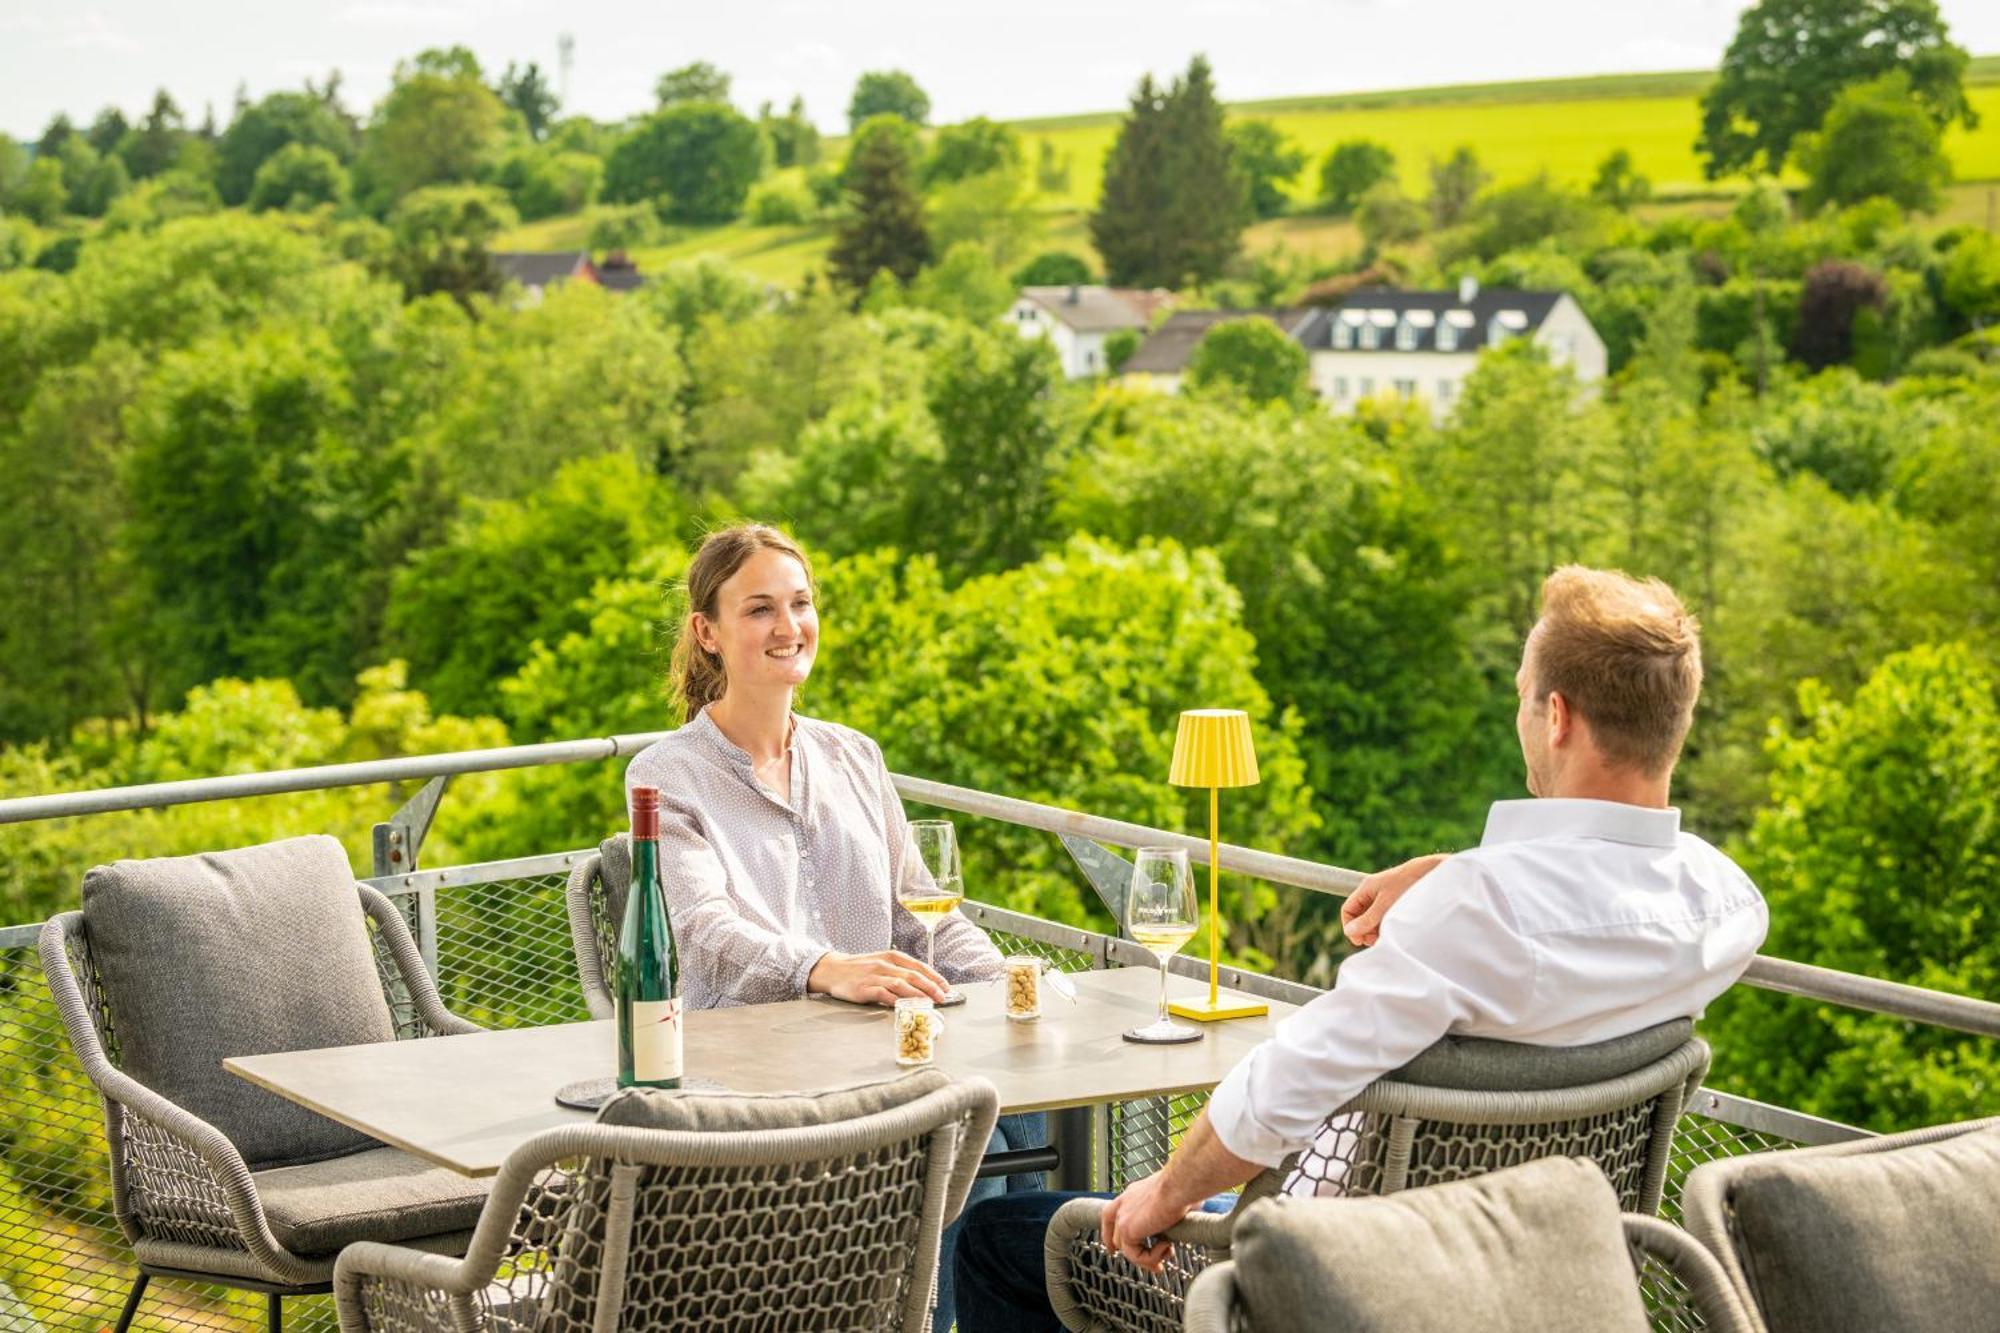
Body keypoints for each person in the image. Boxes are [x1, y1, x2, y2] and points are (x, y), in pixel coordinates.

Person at [953, 565, 1770, 1332]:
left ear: (1556, 715)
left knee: (1002, 1234)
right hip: (1554, 1276)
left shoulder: (1476, 911)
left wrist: (1162, 1196)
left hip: (1335, 1279)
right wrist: (1458, 868)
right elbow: (1585, 898)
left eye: (1523, 697)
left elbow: (1279, 1091)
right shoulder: (1721, 904)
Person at [621, 522, 1042, 1327]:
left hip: (881, 1062)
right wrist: (825, 965)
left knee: (1012, 1109)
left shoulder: (856, 756)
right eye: (759, 609)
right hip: (757, 1079)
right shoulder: (666, 772)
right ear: (707, 632)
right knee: (969, 1127)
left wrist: (1017, 981)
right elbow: (706, 925)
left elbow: (927, 913)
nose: (789, 626)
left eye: (801, 603)